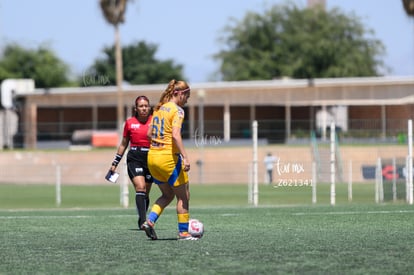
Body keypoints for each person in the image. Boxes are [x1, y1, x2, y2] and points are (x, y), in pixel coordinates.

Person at [142, 79, 197, 241]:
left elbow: (148, 134)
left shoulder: (159, 109)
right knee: (184, 197)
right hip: (168, 159)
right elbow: (175, 135)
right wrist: (185, 157)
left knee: (167, 195)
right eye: (187, 96)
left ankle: (150, 221)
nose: (187, 100)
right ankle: (184, 233)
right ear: (178, 94)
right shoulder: (178, 111)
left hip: (152, 158)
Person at [108, 95, 153, 229]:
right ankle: (144, 222)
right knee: (140, 188)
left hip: (151, 158)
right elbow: (123, 144)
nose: (144, 108)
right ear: (136, 108)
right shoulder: (130, 123)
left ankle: (141, 216)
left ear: (149, 107)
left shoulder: (155, 121)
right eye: (141, 106)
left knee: (146, 193)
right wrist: (115, 163)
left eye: (146, 106)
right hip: (135, 157)